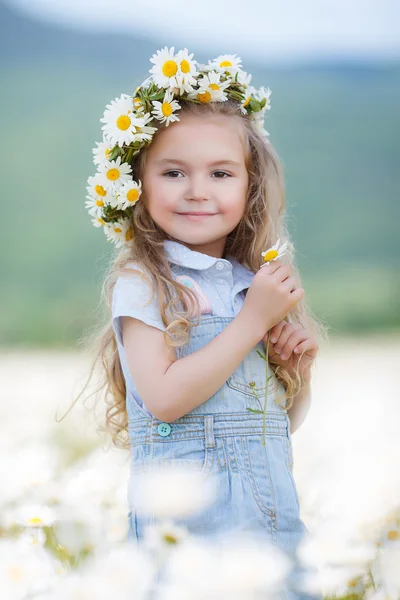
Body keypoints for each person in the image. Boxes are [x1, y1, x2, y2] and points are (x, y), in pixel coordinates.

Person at [79, 47, 329, 599]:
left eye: (220, 173)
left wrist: (296, 372)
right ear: (138, 183)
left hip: (270, 520)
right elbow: (166, 399)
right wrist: (250, 324)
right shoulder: (146, 283)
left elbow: (273, 427)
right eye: (173, 173)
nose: (197, 190)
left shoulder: (249, 280)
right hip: (188, 528)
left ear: (250, 185)